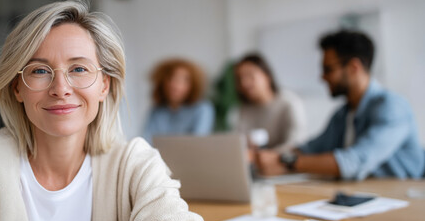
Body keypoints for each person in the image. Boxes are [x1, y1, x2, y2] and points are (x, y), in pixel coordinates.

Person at [0, 0, 203, 221]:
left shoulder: (135, 162)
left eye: (79, 69)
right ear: (17, 87)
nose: (61, 89)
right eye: (39, 70)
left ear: (104, 86)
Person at [256, 30, 425, 180]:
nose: (322, 77)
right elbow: (310, 149)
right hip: (365, 195)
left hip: (406, 195)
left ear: (353, 67)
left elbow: (354, 162)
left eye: (328, 69)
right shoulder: (342, 114)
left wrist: (287, 161)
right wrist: (265, 157)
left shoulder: (392, 107)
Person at [230, 53, 307, 153]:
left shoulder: (289, 103)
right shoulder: (244, 109)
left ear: (267, 75)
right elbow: (239, 143)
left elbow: (296, 143)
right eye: (239, 79)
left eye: (250, 75)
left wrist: (264, 157)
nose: (244, 83)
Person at [143, 58, 215, 143]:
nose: (174, 85)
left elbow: (198, 143)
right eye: (170, 79)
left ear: (192, 85)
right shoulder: (157, 111)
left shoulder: (203, 109)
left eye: (182, 80)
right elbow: (146, 141)